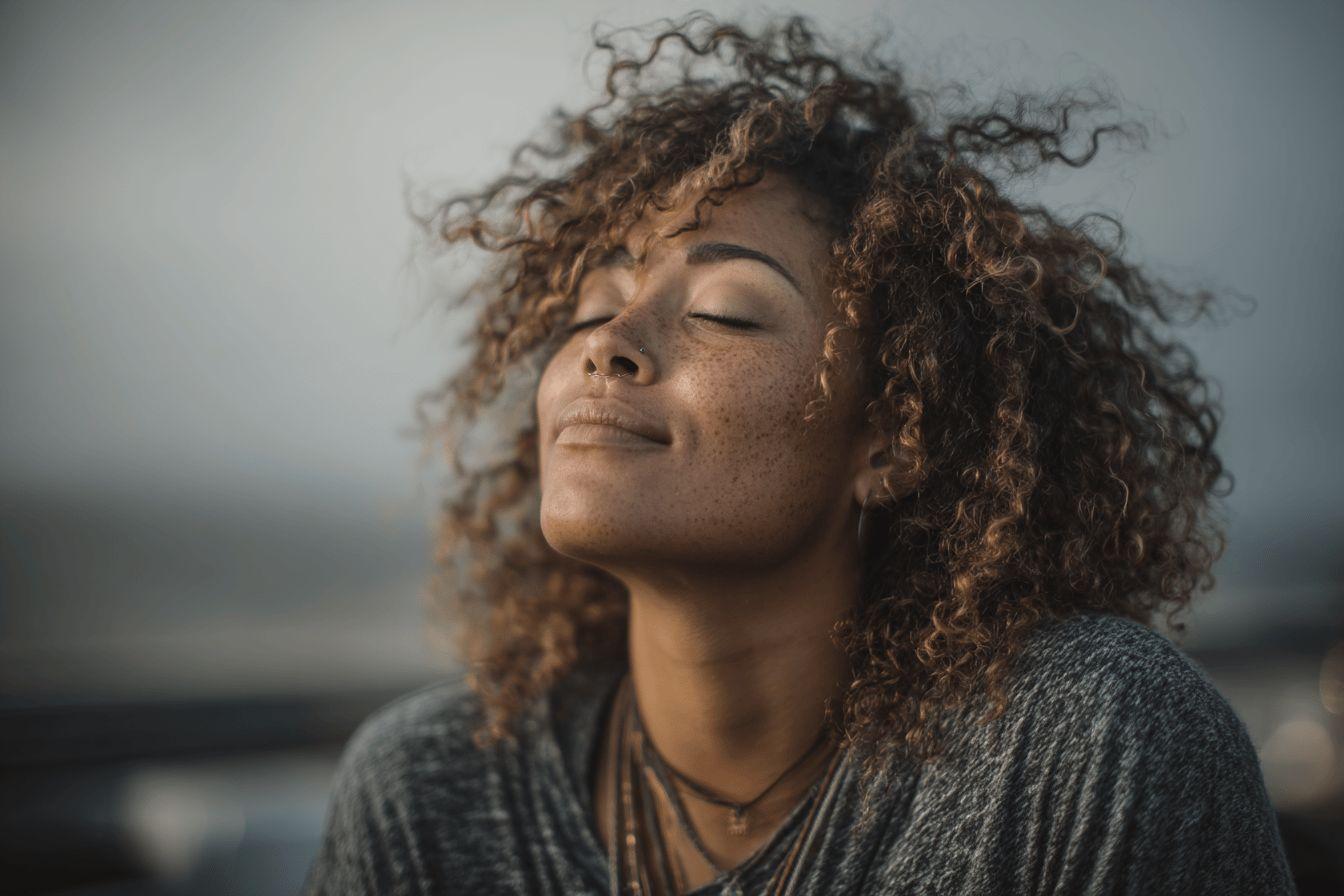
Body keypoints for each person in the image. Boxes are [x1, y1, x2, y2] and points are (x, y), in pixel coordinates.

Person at [302, 13, 1296, 895]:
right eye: (593, 306)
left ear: (893, 437)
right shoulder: (423, 794)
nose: (607, 341)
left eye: (725, 311)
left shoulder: (1092, 747)